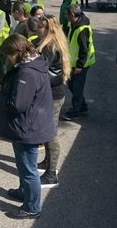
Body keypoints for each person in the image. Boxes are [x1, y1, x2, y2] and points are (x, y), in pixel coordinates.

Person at [0, 34, 55, 220]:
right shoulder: (35, 64)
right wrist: (3, 89)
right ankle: (24, 191)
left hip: (28, 127)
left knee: (28, 169)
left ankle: (32, 206)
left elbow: (18, 105)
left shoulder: (26, 72)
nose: (8, 59)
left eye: (9, 55)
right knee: (23, 165)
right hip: (31, 123)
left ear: (17, 53)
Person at [35, 15, 71, 188]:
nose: (37, 30)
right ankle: (47, 163)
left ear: (48, 29)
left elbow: (46, 74)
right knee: (48, 132)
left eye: (40, 27)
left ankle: (51, 174)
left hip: (52, 96)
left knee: (50, 134)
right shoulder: (52, 44)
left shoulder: (49, 47)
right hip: (53, 95)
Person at [64, 3, 95, 119]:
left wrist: (79, 66)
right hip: (74, 62)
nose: (66, 17)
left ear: (72, 15)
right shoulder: (74, 23)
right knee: (72, 84)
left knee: (77, 87)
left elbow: (84, 49)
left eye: (67, 15)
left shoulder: (82, 28)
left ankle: (75, 111)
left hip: (81, 64)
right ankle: (82, 105)